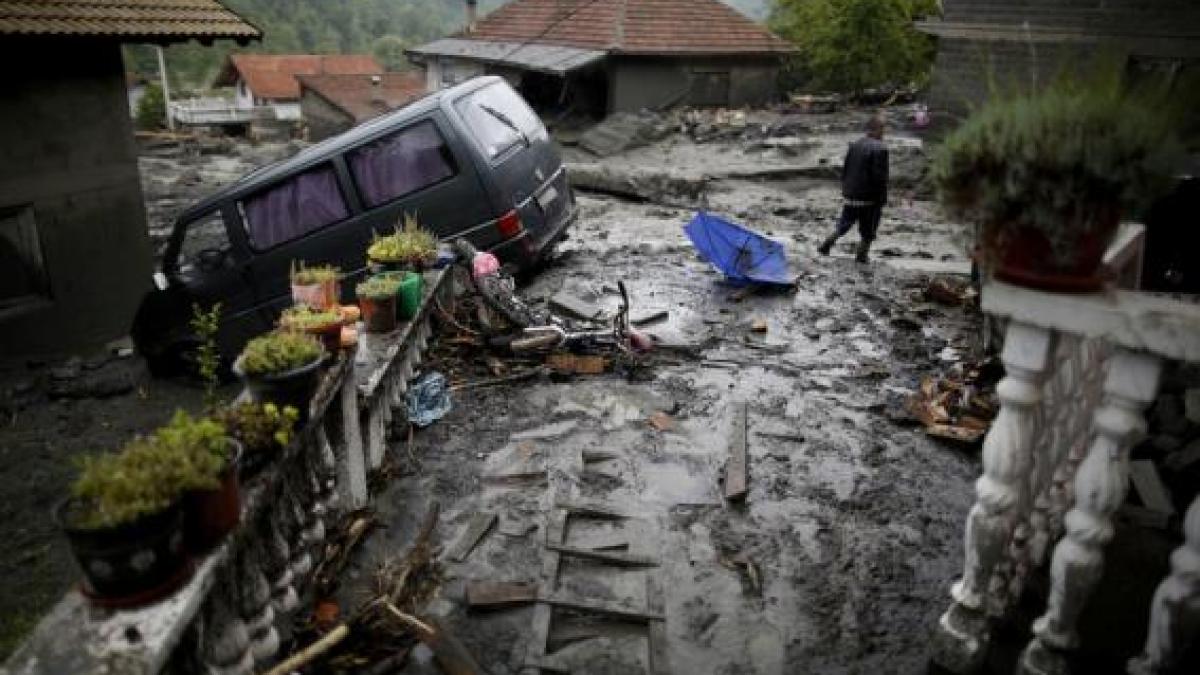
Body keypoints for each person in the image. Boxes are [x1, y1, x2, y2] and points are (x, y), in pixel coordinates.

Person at [817, 113, 889, 263]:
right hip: (869, 198)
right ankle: (861, 255)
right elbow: (880, 178)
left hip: (851, 195)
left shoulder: (855, 145)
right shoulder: (881, 149)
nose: (884, 133)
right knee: (868, 230)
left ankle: (826, 245)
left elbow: (846, 169)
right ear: (878, 129)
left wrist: (846, 190)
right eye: (883, 129)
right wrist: (882, 199)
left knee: (843, 224)